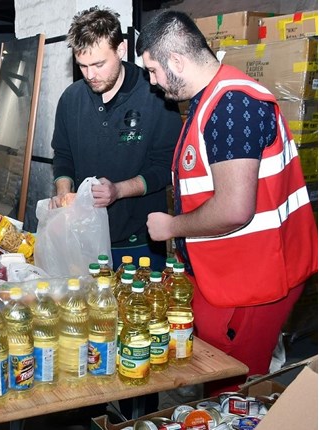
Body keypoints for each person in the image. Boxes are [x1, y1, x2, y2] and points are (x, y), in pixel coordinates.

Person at [137, 11, 318, 394]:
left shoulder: (231, 104)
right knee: (221, 379)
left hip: (256, 280)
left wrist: (171, 227)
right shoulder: (213, 99)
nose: (152, 82)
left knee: (233, 391)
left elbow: (235, 208)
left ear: (177, 61)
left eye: (153, 70)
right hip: (236, 272)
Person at [50, 6, 182, 272]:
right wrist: (64, 193)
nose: (90, 75)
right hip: (84, 237)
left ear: (121, 50)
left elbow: (166, 167)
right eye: (83, 66)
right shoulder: (70, 99)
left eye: (99, 64)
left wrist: (118, 190)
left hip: (139, 240)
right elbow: (63, 155)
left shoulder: (155, 94)